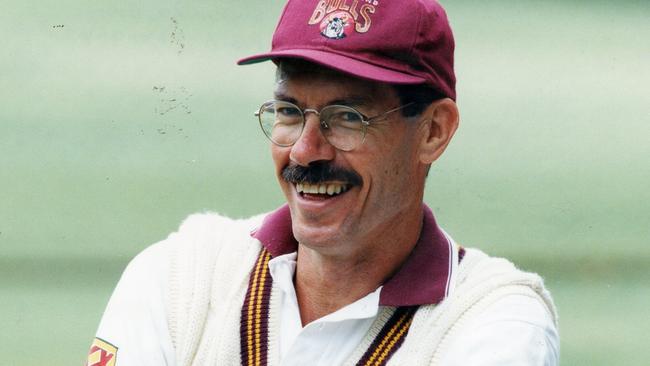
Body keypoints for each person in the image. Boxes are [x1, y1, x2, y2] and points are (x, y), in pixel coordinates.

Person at [87, 0, 559, 365]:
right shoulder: (182, 274)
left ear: (433, 131)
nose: (305, 150)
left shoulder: (493, 318)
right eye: (290, 112)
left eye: (347, 117)